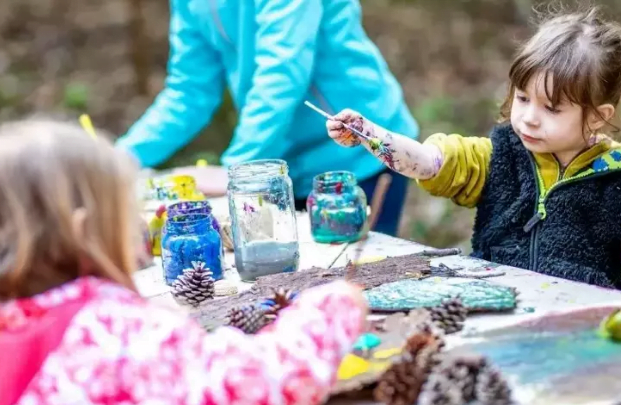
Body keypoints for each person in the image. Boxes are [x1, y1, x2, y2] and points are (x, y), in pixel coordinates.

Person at [0, 119, 368, 405]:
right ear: (84, 233)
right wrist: (331, 309)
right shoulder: (117, 334)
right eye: (128, 217)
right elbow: (264, 382)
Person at [325, 7, 621, 302]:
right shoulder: (501, 155)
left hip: (576, 342)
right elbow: (430, 161)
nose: (528, 117)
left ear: (596, 117)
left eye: (552, 109)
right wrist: (370, 134)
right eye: (523, 98)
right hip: (497, 325)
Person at [116, 0, 419, 237]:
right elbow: (189, 90)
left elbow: (283, 71)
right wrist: (118, 159)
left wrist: (237, 169)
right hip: (279, 163)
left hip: (355, 155)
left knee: (359, 287)